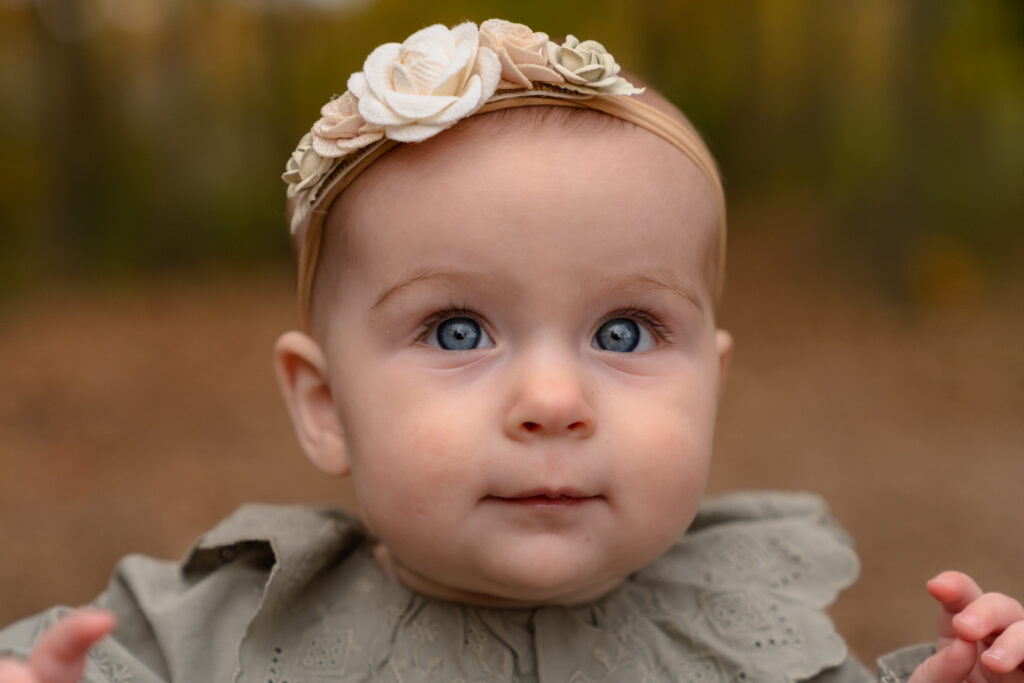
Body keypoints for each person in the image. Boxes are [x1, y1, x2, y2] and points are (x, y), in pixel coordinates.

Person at [1, 19, 1021, 683]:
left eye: (623, 332)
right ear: (324, 403)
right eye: (457, 331)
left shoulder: (748, 625)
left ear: (710, 386)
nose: (552, 398)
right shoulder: (216, 631)